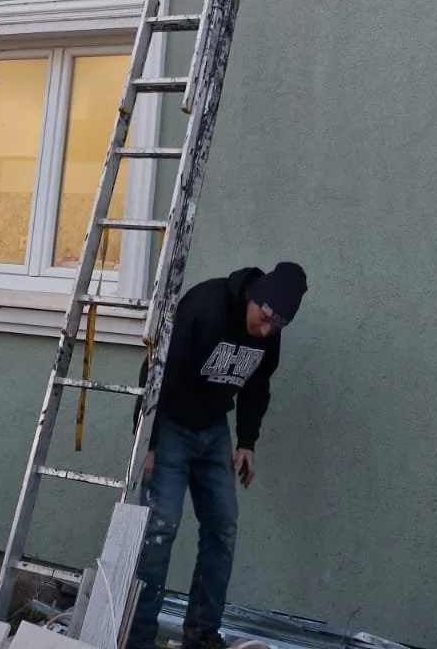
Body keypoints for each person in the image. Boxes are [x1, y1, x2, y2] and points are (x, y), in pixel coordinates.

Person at [128, 261, 308, 649]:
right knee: (160, 531)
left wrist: (247, 442)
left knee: (223, 527)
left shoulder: (268, 330)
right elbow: (158, 371)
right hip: (171, 427)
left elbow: (257, 386)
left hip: (213, 431)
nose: (264, 331)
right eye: (263, 319)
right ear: (255, 298)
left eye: (274, 327)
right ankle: (137, 638)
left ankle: (202, 635)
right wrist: (150, 443)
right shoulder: (205, 305)